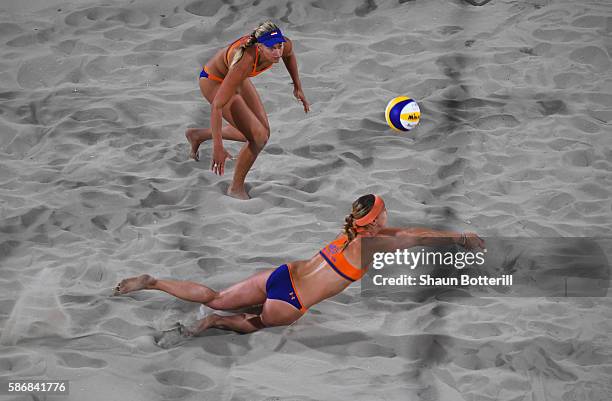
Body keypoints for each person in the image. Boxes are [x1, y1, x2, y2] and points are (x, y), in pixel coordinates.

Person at [114, 194, 485, 336]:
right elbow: (415, 235)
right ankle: (213, 324)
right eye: (383, 214)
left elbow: (399, 228)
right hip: (291, 301)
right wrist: (458, 237)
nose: (388, 218)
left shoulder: (352, 234)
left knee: (215, 295)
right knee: (253, 322)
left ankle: (154, 282)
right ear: (372, 223)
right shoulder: (374, 245)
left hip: (283, 274)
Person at [185, 21, 310, 199]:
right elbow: (217, 106)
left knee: (262, 133)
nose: (277, 52)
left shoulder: (283, 46)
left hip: (236, 77)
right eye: (271, 48)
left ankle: (198, 135)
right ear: (259, 47)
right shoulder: (244, 61)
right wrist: (218, 147)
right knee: (257, 138)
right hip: (213, 81)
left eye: (279, 46)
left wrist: (297, 87)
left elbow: (289, 55)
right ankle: (235, 188)